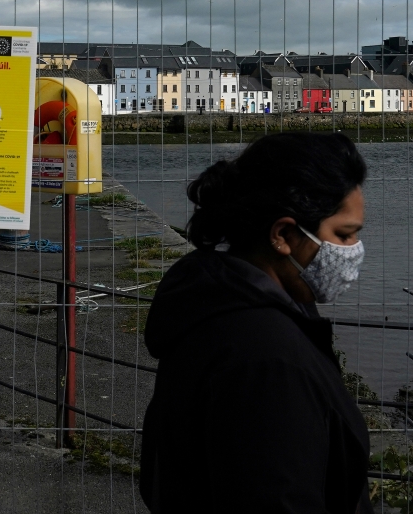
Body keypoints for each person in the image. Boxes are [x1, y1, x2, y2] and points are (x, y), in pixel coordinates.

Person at [140, 132, 372, 514]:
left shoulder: (214, 304)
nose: (354, 252)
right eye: (343, 235)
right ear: (282, 235)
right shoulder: (267, 360)